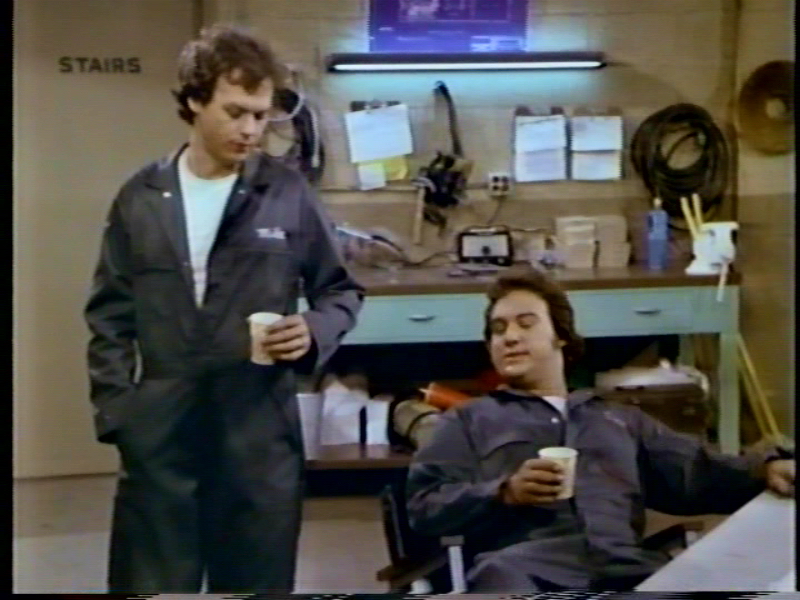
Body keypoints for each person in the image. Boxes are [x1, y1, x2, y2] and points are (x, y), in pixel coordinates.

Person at [84, 24, 364, 593]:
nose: (251, 130)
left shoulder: (286, 193)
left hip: (256, 431)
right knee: (155, 586)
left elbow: (341, 291)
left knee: (253, 586)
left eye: (261, 116)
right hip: (163, 432)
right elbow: (110, 314)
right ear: (194, 100)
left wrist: (313, 329)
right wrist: (119, 414)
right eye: (236, 113)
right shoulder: (141, 198)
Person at [406, 265, 794, 592]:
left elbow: (699, 470)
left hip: (626, 569)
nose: (510, 336)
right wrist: (505, 492)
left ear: (559, 335)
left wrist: (766, 468)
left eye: (526, 323)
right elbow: (426, 506)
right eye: (498, 329)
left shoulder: (616, 418)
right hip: (525, 571)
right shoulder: (468, 420)